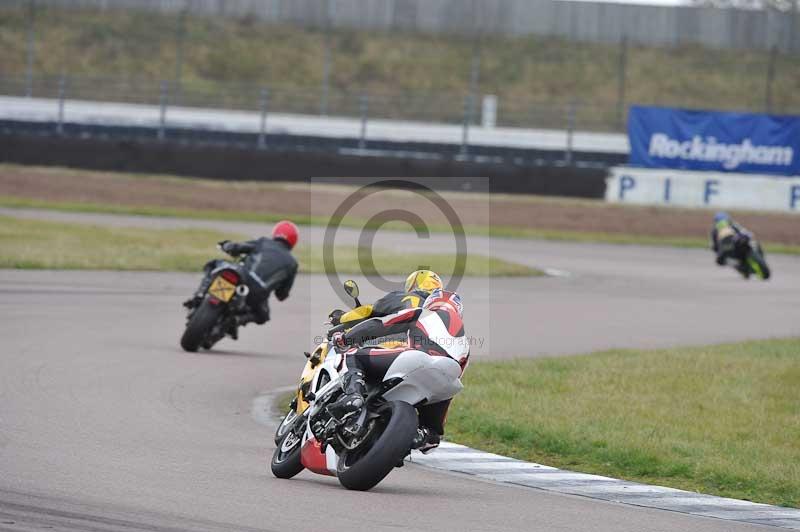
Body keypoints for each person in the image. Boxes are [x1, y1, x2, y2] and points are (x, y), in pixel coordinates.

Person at [328, 289, 469, 454]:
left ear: (432, 301)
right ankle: (427, 435)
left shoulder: (424, 312)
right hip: (448, 381)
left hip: (418, 358)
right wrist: (436, 426)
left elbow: (381, 325)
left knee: (353, 355)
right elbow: (454, 378)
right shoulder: (465, 342)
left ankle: (354, 396)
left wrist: (345, 338)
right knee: (435, 422)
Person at [184, 220, 299, 334]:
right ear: (293, 241)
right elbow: (281, 295)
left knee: (214, 263)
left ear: (275, 233)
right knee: (263, 315)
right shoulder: (292, 263)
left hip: (242, 277)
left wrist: (226, 245)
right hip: (257, 295)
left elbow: (238, 247)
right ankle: (237, 320)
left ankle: (199, 295)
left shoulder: (264, 242)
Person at [328, 269, 444, 330]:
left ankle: (354, 375)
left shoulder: (401, 296)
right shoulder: (440, 310)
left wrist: (341, 317)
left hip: (394, 346)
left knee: (352, 357)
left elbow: (368, 311)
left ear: (415, 284)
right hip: (428, 352)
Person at [710, 212, 753, 276]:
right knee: (721, 260)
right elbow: (743, 231)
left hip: (734, 246)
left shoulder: (715, 229)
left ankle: (741, 267)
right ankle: (740, 268)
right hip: (732, 248)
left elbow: (714, 245)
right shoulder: (731, 225)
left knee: (721, 260)